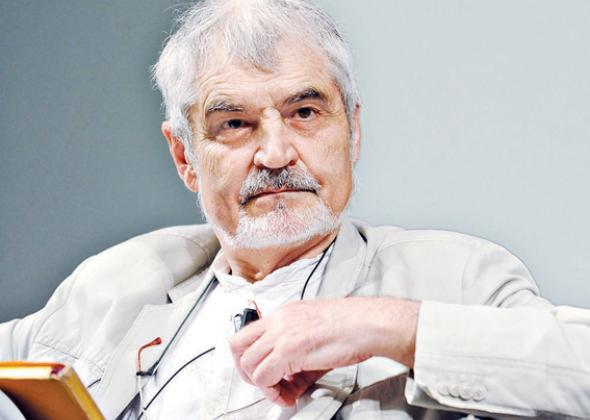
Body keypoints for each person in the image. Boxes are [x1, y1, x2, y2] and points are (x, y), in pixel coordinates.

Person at [1, 0, 589, 418]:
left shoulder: (455, 276)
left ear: (351, 132)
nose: (276, 153)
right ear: (185, 157)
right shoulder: (119, 282)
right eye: (235, 124)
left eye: (305, 113)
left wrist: (387, 326)